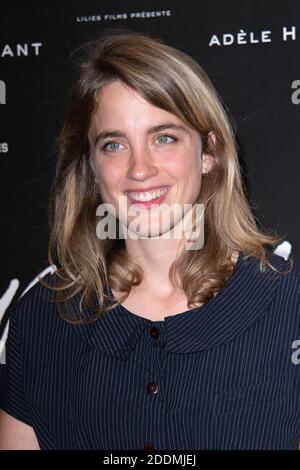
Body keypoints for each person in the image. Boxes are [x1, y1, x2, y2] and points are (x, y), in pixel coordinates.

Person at [0, 27, 299, 450]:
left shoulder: (289, 306)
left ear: (208, 151)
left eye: (164, 138)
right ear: (89, 165)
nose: (140, 169)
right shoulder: (42, 321)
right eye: (114, 145)